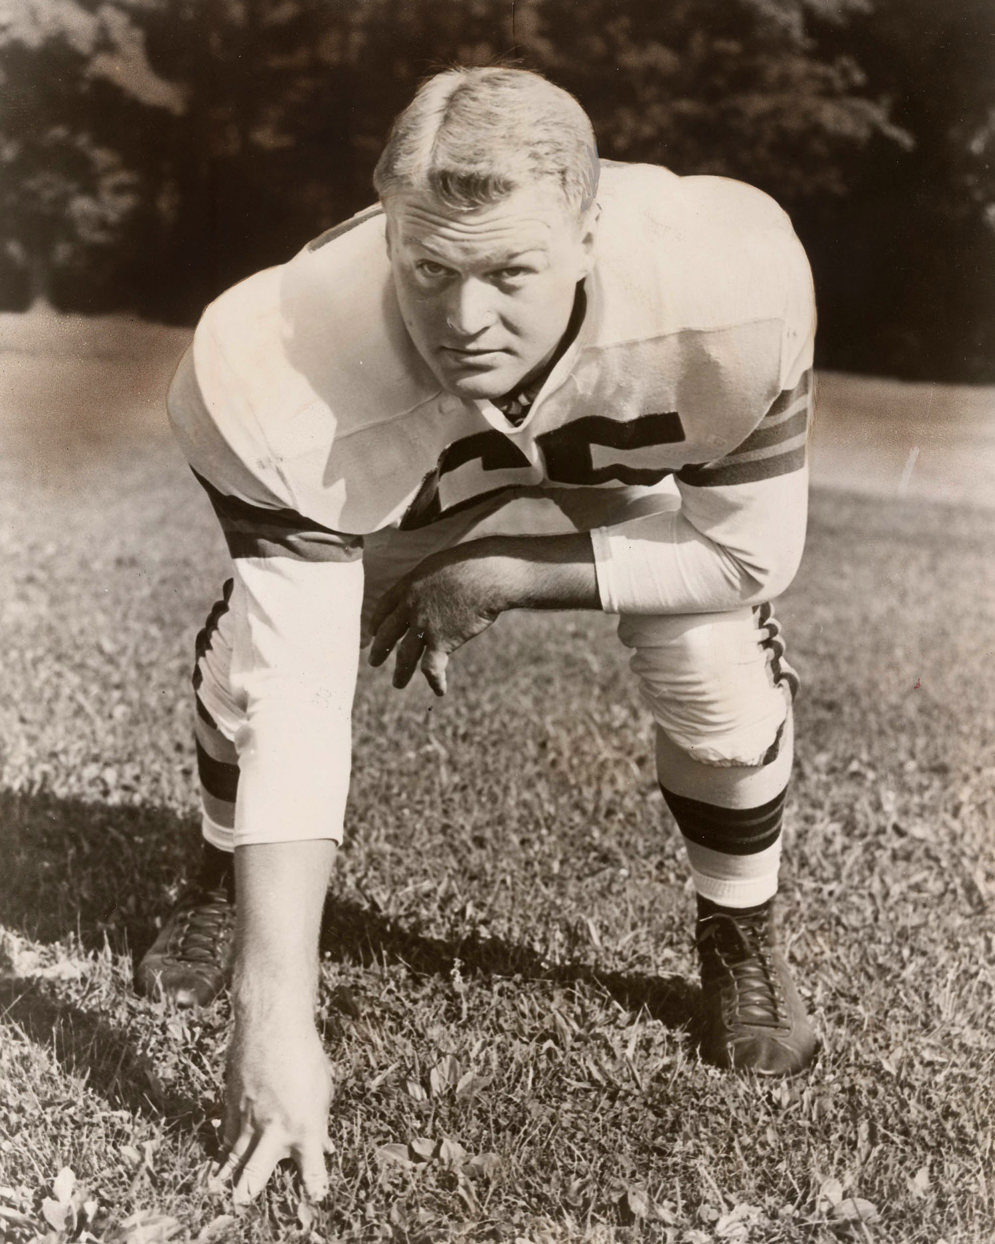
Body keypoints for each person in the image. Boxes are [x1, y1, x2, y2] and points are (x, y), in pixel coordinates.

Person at [136, 66, 820, 1202]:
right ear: (387, 234)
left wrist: (512, 575)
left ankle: (738, 931)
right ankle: (223, 873)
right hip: (413, 464)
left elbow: (747, 554)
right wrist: (276, 1017)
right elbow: (305, 705)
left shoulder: (729, 291)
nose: (463, 320)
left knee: (710, 657)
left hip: (613, 438)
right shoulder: (273, 354)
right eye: (428, 270)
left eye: (509, 272)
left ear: (589, 233)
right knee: (267, 660)